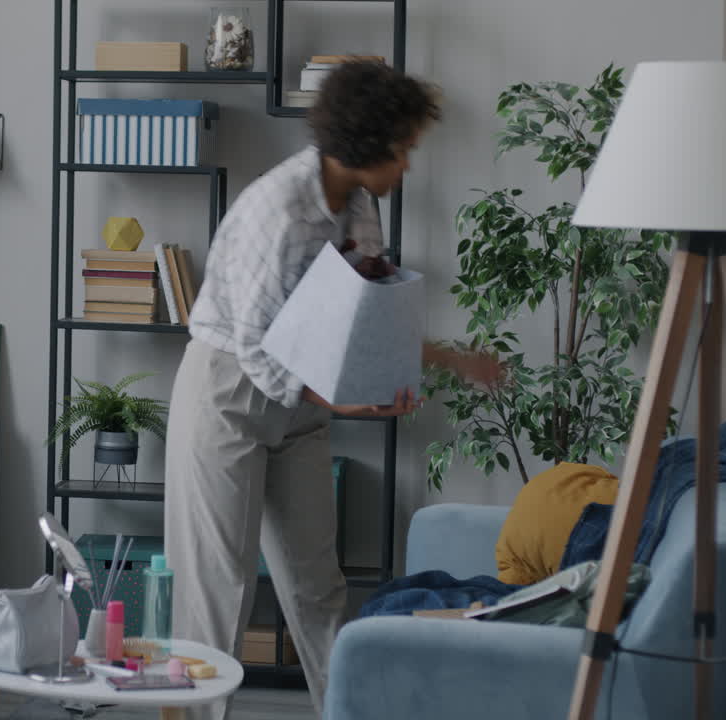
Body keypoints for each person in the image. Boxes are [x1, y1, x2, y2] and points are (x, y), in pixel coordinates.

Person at [163, 61, 501, 720]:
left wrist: (451, 361)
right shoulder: (279, 210)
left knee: (317, 588)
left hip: (300, 406)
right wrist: (343, 401)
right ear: (365, 142)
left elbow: (366, 312)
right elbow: (259, 345)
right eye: (402, 149)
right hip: (228, 394)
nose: (408, 164)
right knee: (216, 595)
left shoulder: (361, 206)